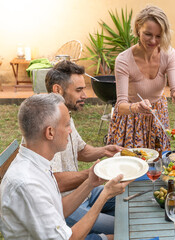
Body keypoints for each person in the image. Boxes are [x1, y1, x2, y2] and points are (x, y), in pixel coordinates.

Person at [0, 93, 132, 240]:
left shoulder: (36, 163)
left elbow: (59, 210)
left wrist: (89, 182)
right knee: (127, 234)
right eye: (67, 124)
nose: (70, 131)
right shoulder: (28, 184)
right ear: (50, 132)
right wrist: (105, 194)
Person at [45, 60, 122, 234]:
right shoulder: (48, 124)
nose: (85, 95)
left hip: (85, 193)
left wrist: (104, 150)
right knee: (122, 226)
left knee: (126, 198)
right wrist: (93, 175)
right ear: (58, 90)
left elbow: (81, 150)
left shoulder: (65, 114)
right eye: (79, 90)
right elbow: (57, 182)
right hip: (66, 205)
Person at [107, 5, 175, 152]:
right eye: (148, 34)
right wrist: (137, 107)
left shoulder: (168, 53)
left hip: (158, 115)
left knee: (157, 165)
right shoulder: (124, 60)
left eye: (159, 36)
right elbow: (120, 106)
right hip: (131, 119)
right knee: (132, 166)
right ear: (138, 28)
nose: (153, 41)